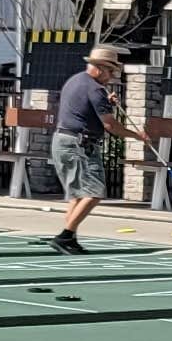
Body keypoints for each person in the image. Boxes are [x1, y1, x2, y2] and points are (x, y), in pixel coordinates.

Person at [49, 42, 125, 253]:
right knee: (94, 192)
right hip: (79, 145)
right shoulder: (95, 89)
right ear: (100, 68)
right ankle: (65, 236)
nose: (111, 76)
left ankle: (69, 238)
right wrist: (138, 136)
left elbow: (83, 108)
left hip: (62, 141)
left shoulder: (76, 80)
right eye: (110, 71)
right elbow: (110, 125)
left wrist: (107, 101)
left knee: (78, 195)